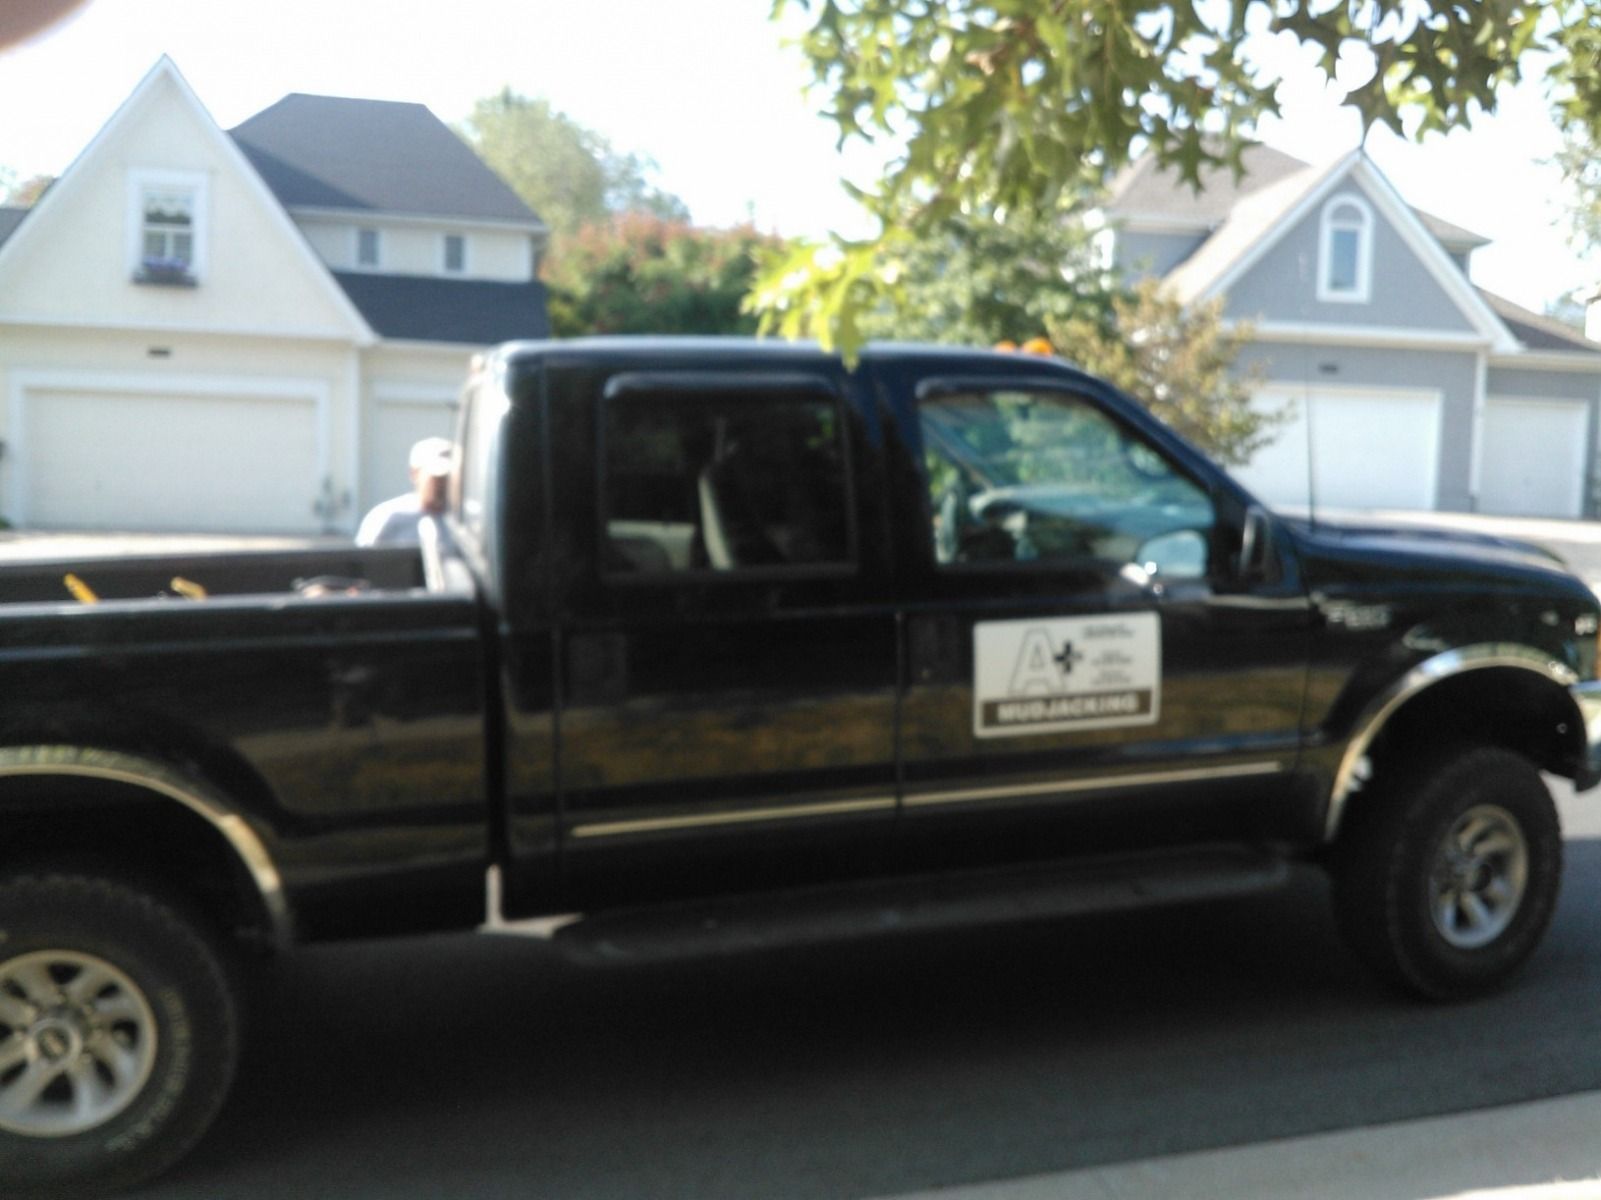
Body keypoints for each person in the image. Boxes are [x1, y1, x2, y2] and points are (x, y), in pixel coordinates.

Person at [355, 437, 454, 546]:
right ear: (414, 474)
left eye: (449, 478)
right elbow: (363, 559)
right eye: (437, 478)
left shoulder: (466, 521)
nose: (444, 484)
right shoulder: (388, 517)